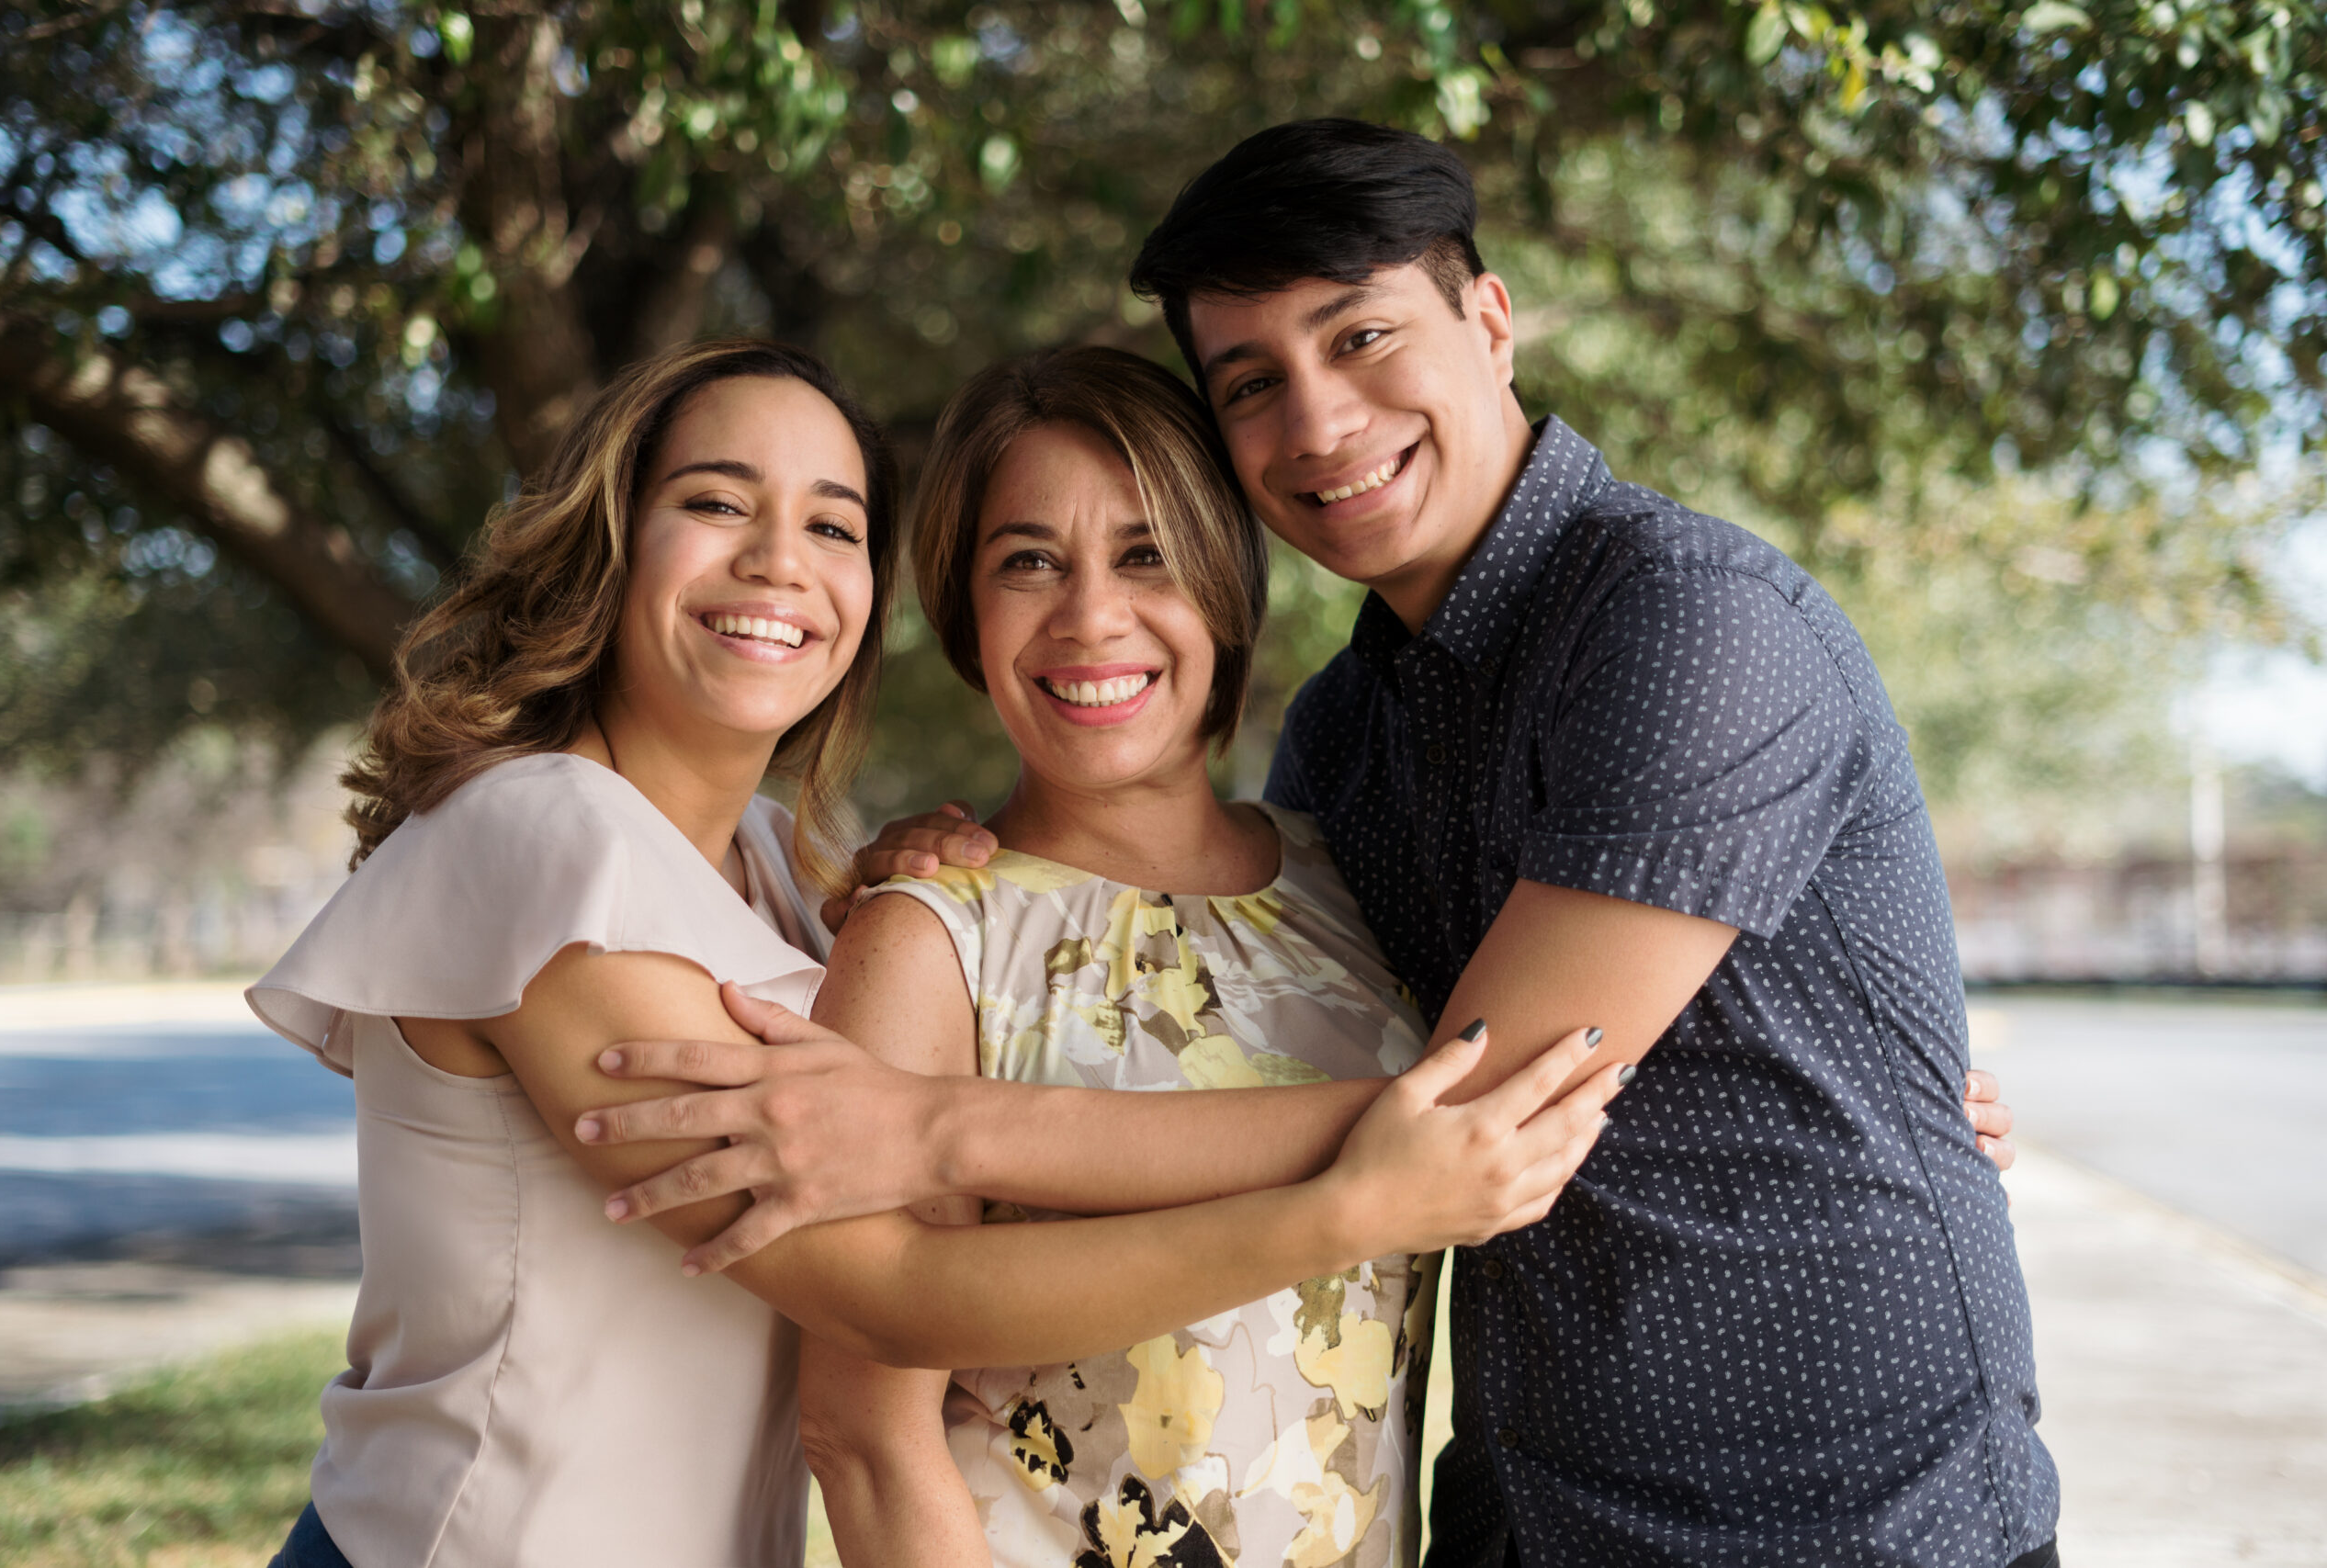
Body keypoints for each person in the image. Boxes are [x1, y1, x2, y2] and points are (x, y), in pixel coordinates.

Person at [588, 120, 2050, 1568]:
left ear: (1490, 319)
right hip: (1529, 1523)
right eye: (1251, 383)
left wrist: (926, 1122)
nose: (1320, 422)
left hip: (1846, 1522)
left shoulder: (1688, 625)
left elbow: (1480, 1096)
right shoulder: (1343, 748)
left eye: (1360, 339)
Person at [245, 336, 1612, 1568]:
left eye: (832, 526)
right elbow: (885, 1299)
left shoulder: (779, 869)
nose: (780, 562)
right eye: (716, 503)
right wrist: (1369, 1187)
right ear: (613, 539)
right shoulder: (543, 839)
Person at [796, 346, 1618, 1566]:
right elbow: (866, 1439)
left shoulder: (1354, 882)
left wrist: (1917, 1108)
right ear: (967, 615)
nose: (1089, 616)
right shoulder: (927, 938)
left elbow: (1577, 1071)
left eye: (1147, 554)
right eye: (1028, 561)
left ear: (1226, 586)